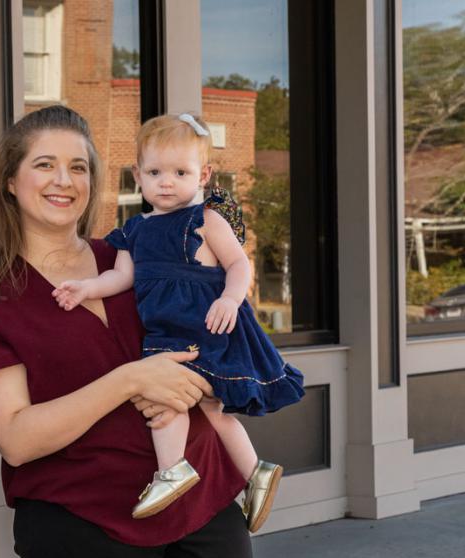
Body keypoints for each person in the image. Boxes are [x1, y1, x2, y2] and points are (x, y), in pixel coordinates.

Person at [0, 104, 253, 558]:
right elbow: (16, 441)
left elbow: (216, 340)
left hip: (204, 506)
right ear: (10, 182)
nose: (64, 180)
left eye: (78, 167)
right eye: (45, 165)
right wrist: (131, 380)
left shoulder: (135, 257)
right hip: (83, 524)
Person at [52, 113, 305, 530]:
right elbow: (121, 277)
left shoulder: (206, 220)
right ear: (138, 175)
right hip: (166, 333)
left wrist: (229, 297)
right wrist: (84, 288)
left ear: (203, 175)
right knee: (197, 405)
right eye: (154, 172)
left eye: (180, 172)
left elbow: (239, 265)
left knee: (187, 404)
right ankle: (253, 472)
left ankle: (176, 471)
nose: (166, 182)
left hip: (208, 327)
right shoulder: (134, 229)